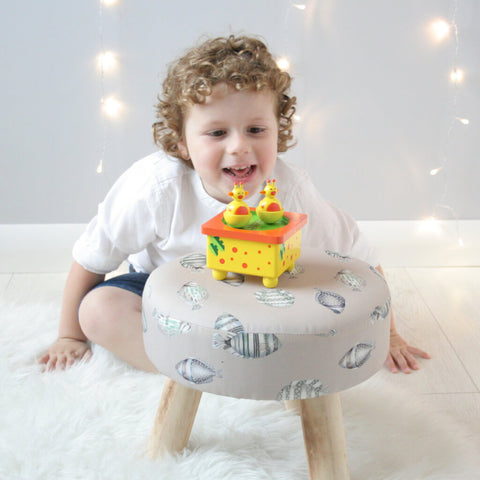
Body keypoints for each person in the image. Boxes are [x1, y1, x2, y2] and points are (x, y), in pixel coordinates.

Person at [39, 35, 430, 374]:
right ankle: (190, 372)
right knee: (99, 310)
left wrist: (391, 334)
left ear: (280, 131)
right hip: (164, 294)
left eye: (256, 130)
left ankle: (244, 365)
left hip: (258, 298)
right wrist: (69, 335)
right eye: (217, 132)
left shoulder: (289, 190)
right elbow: (93, 256)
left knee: (319, 316)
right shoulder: (156, 186)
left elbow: (359, 256)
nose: (239, 146)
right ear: (181, 142)